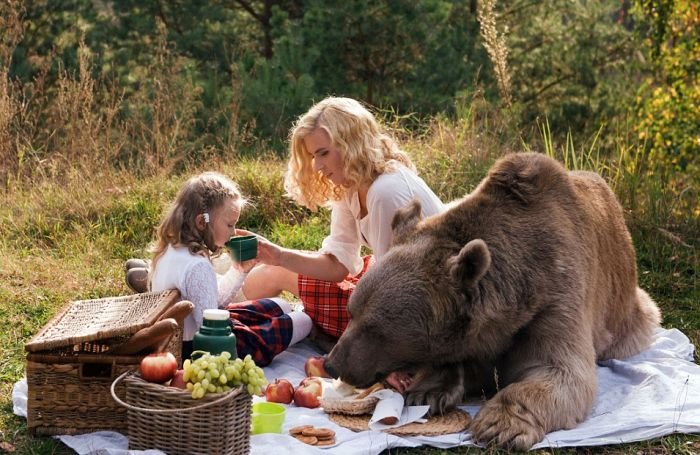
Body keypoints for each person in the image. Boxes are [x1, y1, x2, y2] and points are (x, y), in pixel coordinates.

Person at [238, 96, 445, 358]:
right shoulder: (353, 184)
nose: (316, 166)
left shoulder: (385, 191)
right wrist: (278, 254)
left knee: (276, 273)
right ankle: (223, 311)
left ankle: (219, 318)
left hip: (428, 313)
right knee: (275, 267)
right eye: (313, 156)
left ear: (352, 144)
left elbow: (391, 292)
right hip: (392, 287)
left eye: (323, 153)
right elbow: (337, 266)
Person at [146, 171, 312, 365]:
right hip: (203, 348)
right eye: (229, 225)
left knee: (281, 305)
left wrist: (239, 270)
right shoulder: (197, 265)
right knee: (304, 320)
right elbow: (210, 329)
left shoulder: (171, 249)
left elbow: (210, 303)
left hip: (194, 333)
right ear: (201, 222)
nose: (233, 232)